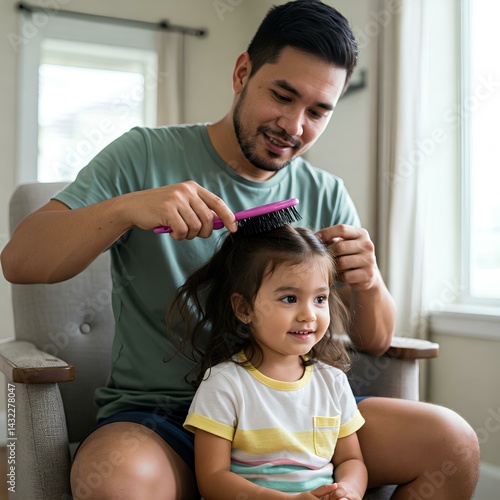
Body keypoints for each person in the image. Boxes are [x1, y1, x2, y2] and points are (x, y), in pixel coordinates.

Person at [0, 1, 479, 499]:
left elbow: (376, 341)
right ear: (243, 71)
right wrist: (126, 209)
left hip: (299, 413)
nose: (294, 126)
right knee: (118, 480)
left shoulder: (327, 193)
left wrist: (371, 281)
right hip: (167, 419)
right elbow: (20, 261)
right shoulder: (143, 154)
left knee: (454, 445)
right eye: (282, 95)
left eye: (317, 111)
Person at [169, 224, 367, 499]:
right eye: (289, 298)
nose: (309, 314)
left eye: (320, 298)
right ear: (244, 309)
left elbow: (351, 461)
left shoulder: (332, 381)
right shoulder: (224, 382)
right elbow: (212, 479)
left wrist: (349, 491)